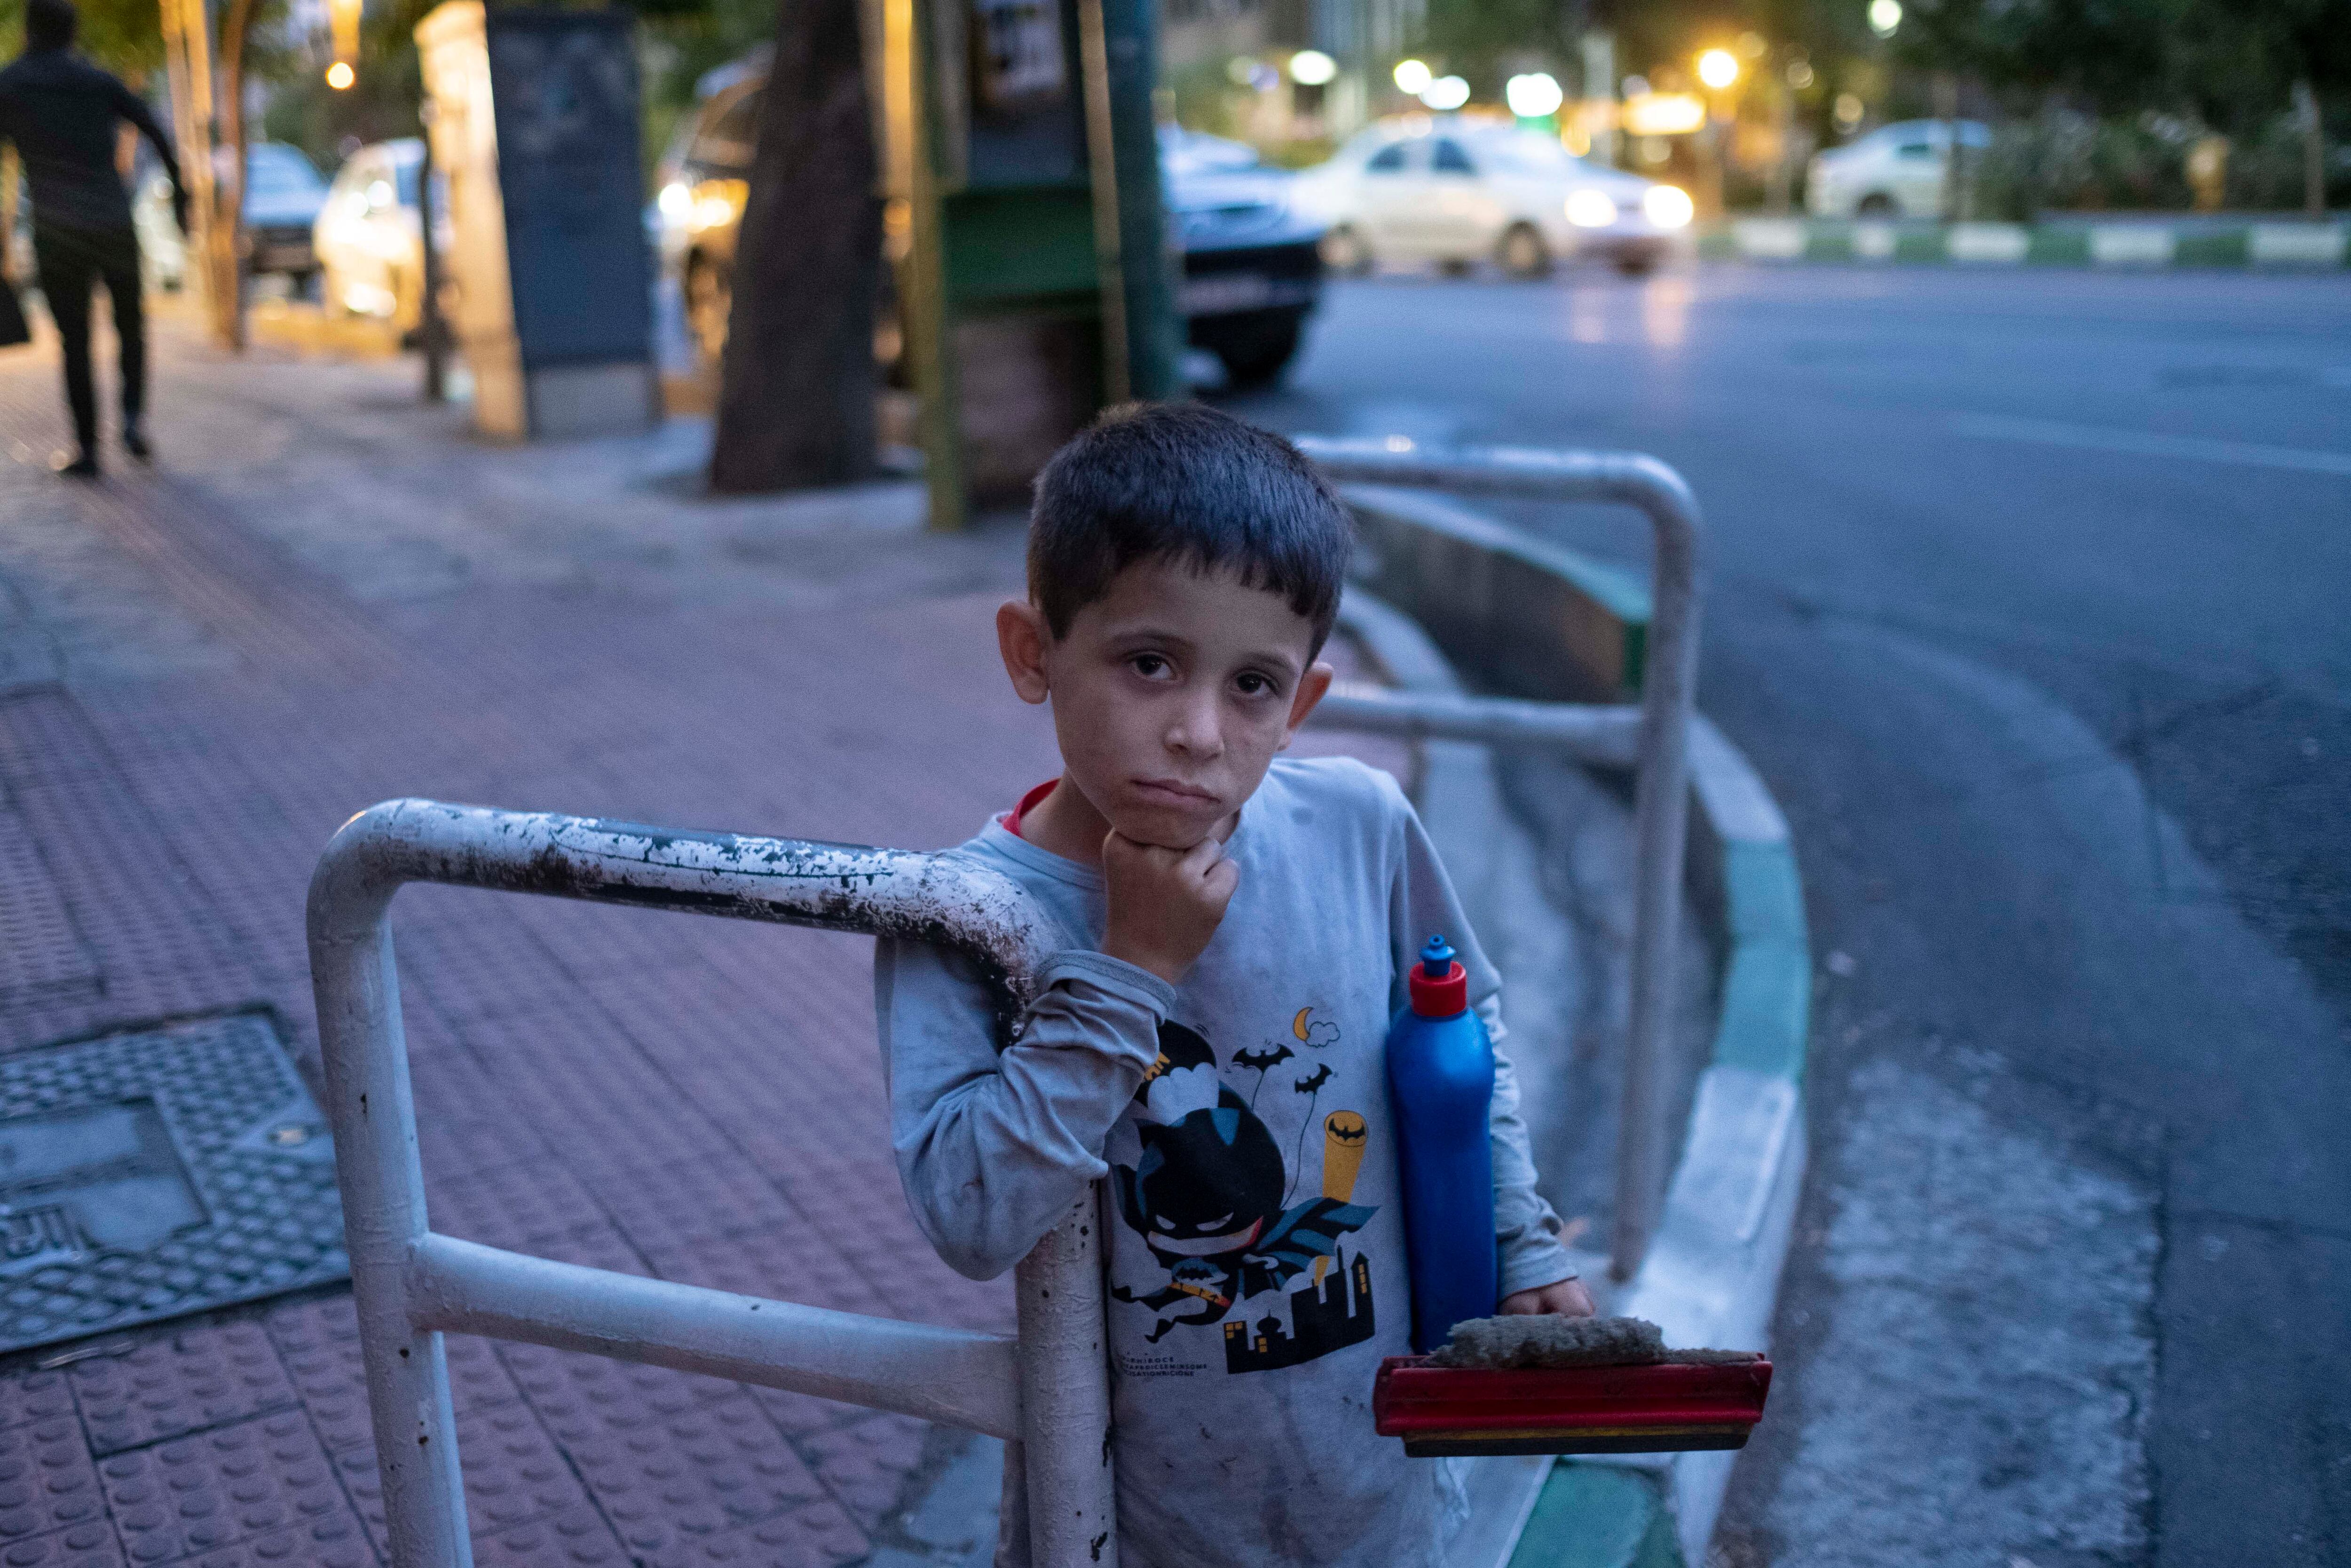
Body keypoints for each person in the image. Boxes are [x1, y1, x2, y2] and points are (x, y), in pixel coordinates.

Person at [876, 402, 1594, 1568]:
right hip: (1128, 1524)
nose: (1199, 732)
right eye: (1148, 662)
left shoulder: (1359, 825)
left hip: (1373, 1494)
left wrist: (1520, 1240)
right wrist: (1134, 968)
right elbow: (969, 1212)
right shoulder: (965, 915)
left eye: (1253, 684)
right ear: (1033, 652)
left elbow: (1463, 1025)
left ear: (1302, 702)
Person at [0, 0, 187, 477]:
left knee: (75, 341)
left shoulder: (12, 84)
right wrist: (182, 198)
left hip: (56, 230)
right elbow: (156, 132)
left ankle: (87, 447)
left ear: (28, 31)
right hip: (112, 221)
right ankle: (132, 420)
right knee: (131, 326)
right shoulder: (96, 80)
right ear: (72, 32)